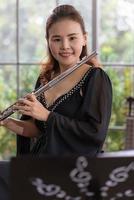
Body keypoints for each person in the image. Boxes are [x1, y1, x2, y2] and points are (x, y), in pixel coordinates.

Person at [0, 4, 112, 157]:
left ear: (84, 39)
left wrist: (47, 115)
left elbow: (95, 133)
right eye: (57, 39)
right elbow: (38, 130)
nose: (65, 46)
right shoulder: (44, 78)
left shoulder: (95, 77)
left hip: (75, 171)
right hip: (40, 165)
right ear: (48, 41)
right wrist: (6, 121)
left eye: (72, 38)